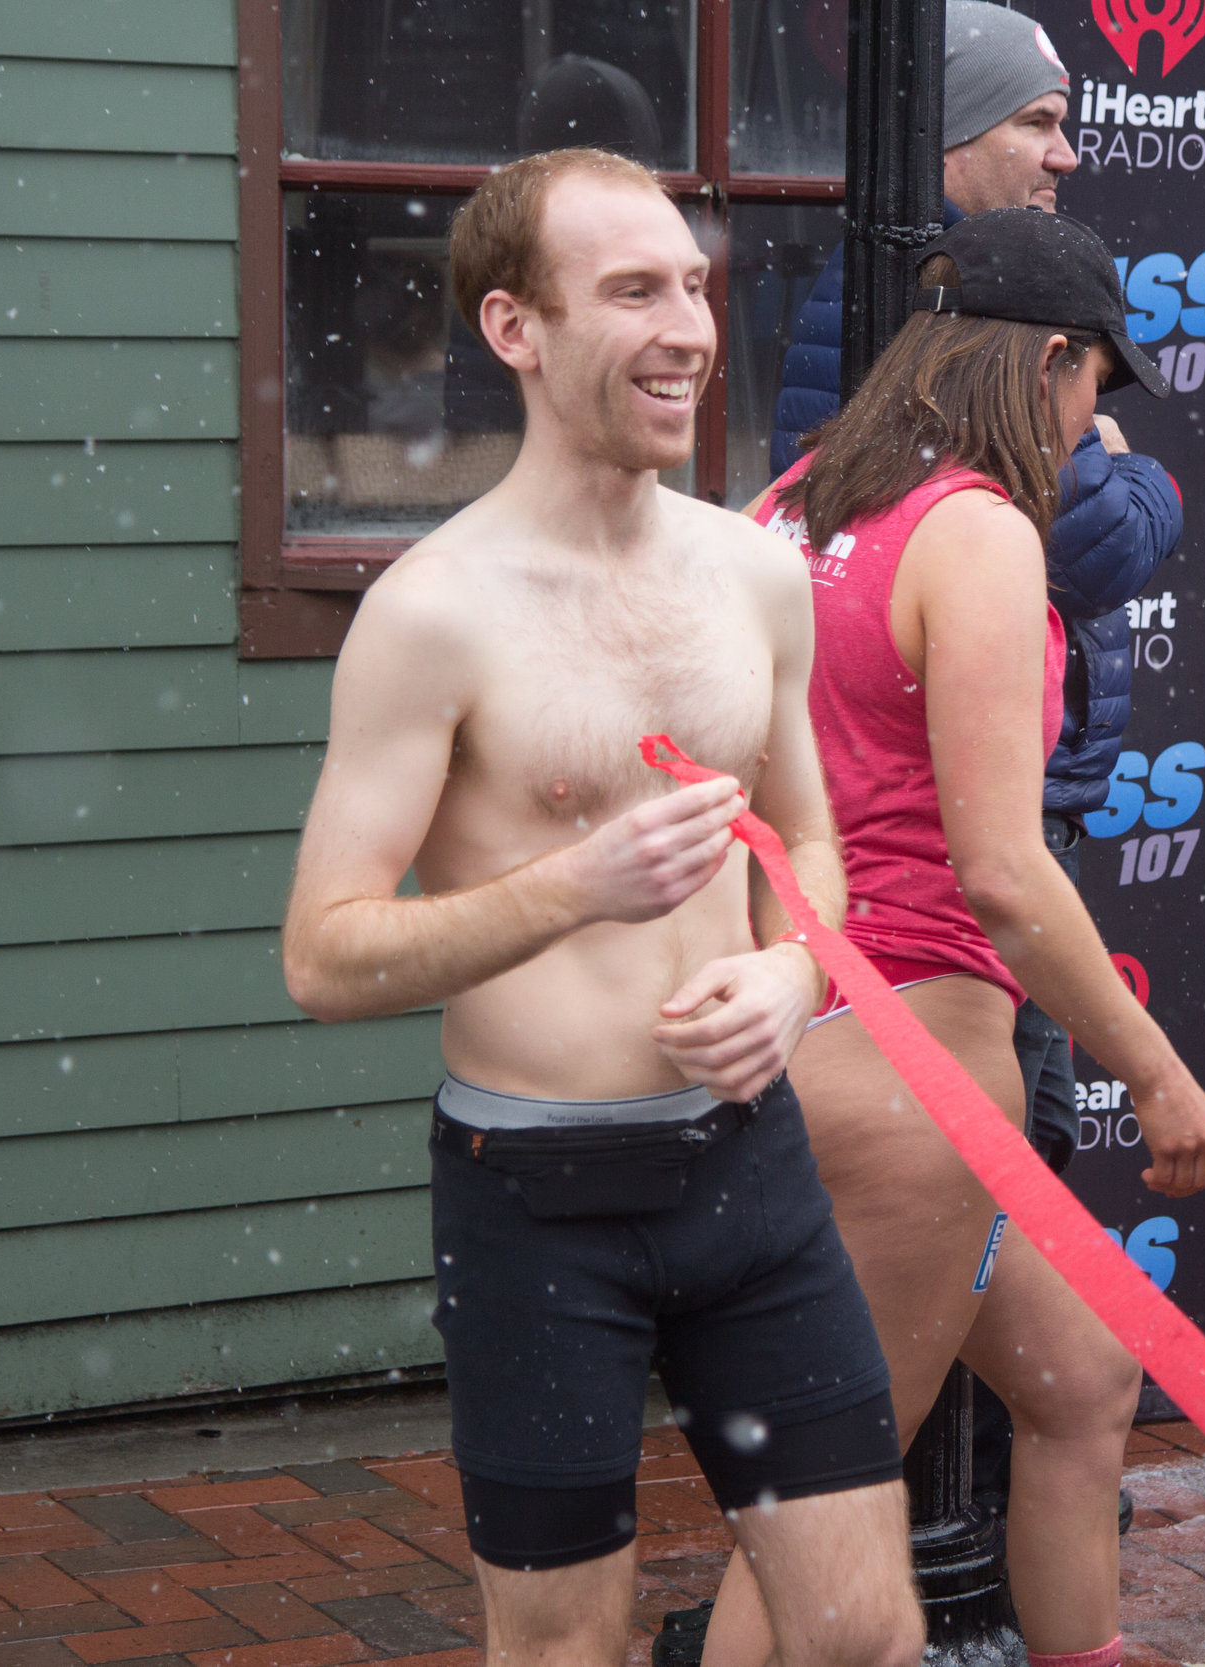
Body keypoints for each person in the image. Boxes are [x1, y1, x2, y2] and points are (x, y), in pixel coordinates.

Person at [279, 148, 919, 1667]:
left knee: (858, 1635)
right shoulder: (431, 611)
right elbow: (324, 954)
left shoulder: (753, 575)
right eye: (634, 289)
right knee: (565, 1648)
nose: (690, 325)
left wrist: (794, 983)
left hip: (751, 1180)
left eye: (697, 285)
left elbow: (812, 855)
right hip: (537, 1198)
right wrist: (571, 884)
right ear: (515, 328)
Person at [702, 209, 1205, 1667]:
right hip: (916, 1075)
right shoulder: (980, 531)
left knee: (1080, 1380)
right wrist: (1157, 1066)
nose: (1091, 429)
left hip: (800, 1036)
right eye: (1094, 390)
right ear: (1050, 359)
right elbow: (1005, 869)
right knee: (825, 1510)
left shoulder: (794, 502)